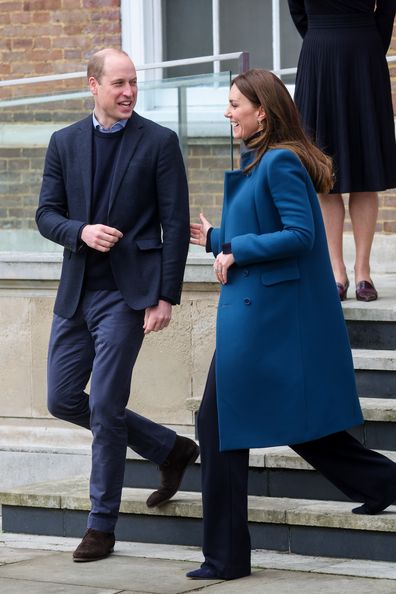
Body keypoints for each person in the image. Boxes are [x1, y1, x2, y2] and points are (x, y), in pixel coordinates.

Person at [187, 69, 396, 581]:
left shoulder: (280, 161)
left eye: (235, 103)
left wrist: (234, 248)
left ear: (264, 110)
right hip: (261, 315)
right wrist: (217, 238)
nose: (227, 112)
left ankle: (227, 558)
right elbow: (261, 231)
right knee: (300, 428)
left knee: (219, 427)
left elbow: (302, 236)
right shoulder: (261, 159)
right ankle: (384, 484)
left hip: (270, 320)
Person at [36, 48, 199, 563]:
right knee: (62, 399)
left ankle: (101, 525)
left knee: (105, 405)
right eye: (119, 84)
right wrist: (79, 231)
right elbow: (45, 214)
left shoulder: (159, 142)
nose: (129, 92)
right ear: (93, 86)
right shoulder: (63, 143)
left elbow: (176, 223)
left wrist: (166, 294)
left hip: (128, 296)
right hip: (77, 292)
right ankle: (169, 448)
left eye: (133, 83)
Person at [288, 0, 396, 302]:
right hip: (319, 57)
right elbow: (297, 9)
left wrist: (369, 43)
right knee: (325, 173)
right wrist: (323, 35)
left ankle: (363, 271)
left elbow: (387, 8)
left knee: (366, 170)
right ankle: (336, 270)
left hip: (363, 58)